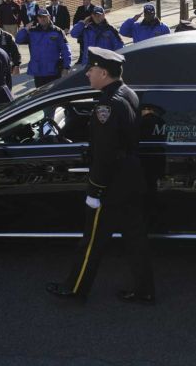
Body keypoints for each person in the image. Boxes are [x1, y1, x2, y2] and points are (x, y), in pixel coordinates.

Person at [46, 46, 153, 304]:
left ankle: (75, 288)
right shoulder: (127, 93)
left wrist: (95, 190)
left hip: (112, 182)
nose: (87, 75)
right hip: (132, 177)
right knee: (136, 239)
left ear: (103, 72)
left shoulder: (106, 105)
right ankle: (144, 290)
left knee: (92, 240)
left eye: (91, 70)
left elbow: (104, 154)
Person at [15, 8, 72, 88]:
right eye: (40, 17)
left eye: (45, 17)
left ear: (49, 17)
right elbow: (18, 40)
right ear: (37, 18)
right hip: (38, 72)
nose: (42, 19)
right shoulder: (32, 31)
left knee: (53, 96)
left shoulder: (57, 31)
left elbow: (66, 50)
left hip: (53, 71)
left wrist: (66, 67)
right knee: (41, 96)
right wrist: (25, 29)